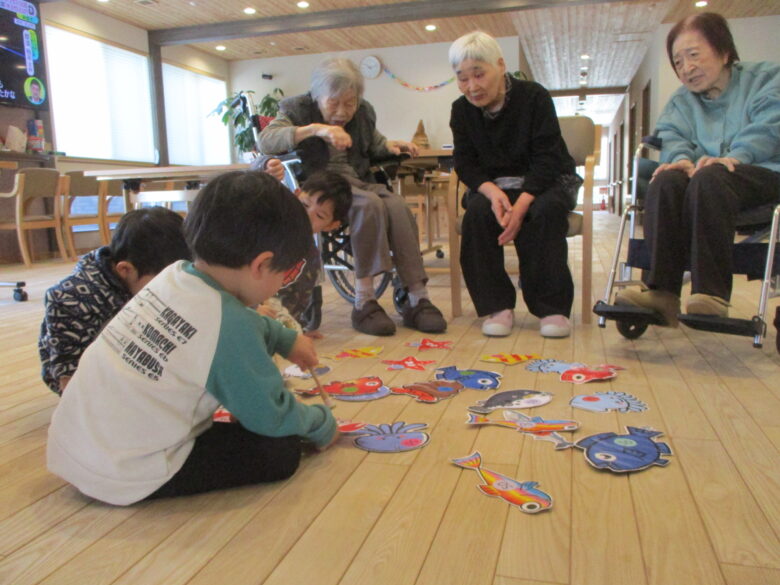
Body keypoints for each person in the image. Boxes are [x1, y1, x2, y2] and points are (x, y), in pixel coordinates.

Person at [46, 171, 338, 506]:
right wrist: (321, 423)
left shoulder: (174, 275)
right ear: (262, 264)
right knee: (280, 449)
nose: (280, 286)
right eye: (284, 276)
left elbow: (235, 320)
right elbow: (271, 415)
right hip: (123, 473)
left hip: (70, 445)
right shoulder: (230, 325)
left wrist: (286, 339)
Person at [258, 57, 447, 336]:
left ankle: (417, 296)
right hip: (323, 188)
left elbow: (374, 143)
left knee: (396, 205)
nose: (342, 111)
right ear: (317, 96)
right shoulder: (297, 109)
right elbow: (266, 140)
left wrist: (393, 146)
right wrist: (316, 129)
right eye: (333, 103)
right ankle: (364, 301)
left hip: (358, 181)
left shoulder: (363, 113)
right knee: (368, 204)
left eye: (350, 102)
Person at [615, 12, 780, 326]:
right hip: (705, 180)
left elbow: (771, 126)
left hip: (763, 174)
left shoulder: (766, 78)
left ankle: (711, 294)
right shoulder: (682, 101)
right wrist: (680, 159)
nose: (686, 68)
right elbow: (673, 134)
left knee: (711, 177)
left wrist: (738, 154)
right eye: (678, 61)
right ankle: (661, 292)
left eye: (693, 55)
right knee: (664, 180)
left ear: (724, 51)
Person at [448, 31, 581, 339]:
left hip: (545, 181)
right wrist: (491, 191)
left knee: (543, 212)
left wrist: (521, 205)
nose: (472, 86)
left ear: (500, 65)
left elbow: (548, 158)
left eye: (479, 74)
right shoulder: (461, 110)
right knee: (478, 216)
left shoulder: (534, 96)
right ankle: (497, 307)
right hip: (495, 185)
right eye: (462, 78)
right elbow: (465, 162)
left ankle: (552, 308)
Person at [38, 207, 190, 395]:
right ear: (125, 270)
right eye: (161, 283)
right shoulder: (71, 299)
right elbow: (69, 380)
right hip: (92, 378)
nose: (169, 290)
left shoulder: (140, 278)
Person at [258, 170, 353, 336]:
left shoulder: (311, 259)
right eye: (305, 205)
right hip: (240, 317)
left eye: (320, 215)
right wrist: (252, 310)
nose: (307, 215)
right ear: (295, 195)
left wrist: (297, 330)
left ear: (331, 225)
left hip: (273, 329)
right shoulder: (263, 232)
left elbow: (297, 303)